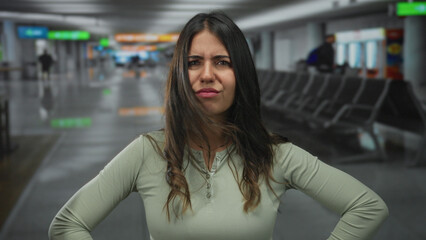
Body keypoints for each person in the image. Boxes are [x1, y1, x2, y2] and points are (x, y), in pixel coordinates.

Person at [49, 12, 388, 240]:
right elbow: (67, 224)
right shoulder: (148, 153)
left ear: (240, 74)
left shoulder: (275, 156)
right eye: (194, 62)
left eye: (222, 62)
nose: (207, 74)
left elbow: (367, 206)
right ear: (180, 74)